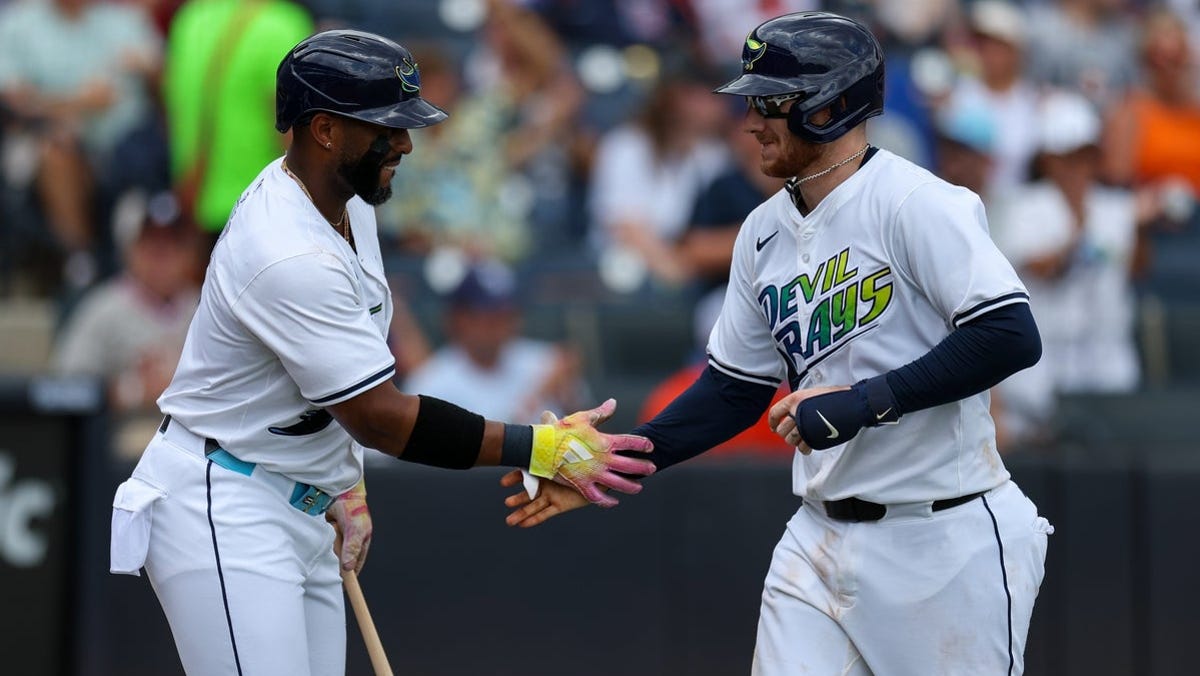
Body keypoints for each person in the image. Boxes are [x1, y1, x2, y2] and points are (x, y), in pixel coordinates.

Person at [503, 12, 1053, 675]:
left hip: (942, 534)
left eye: (772, 102)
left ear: (833, 103)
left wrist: (867, 401)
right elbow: (733, 388)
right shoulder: (762, 231)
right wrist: (621, 457)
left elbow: (1009, 334)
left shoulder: (914, 202)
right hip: (819, 533)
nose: (753, 120)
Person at [108, 30, 654, 676]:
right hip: (226, 500)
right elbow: (381, 419)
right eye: (385, 127)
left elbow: (335, 387)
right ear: (323, 130)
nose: (405, 143)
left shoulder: (347, 200)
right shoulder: (286, 250)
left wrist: (344, 483)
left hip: (297, 496)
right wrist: (538, 446)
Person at [51, 190, 200, 457]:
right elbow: (65, 388)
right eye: (151, 246)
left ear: (188, 254)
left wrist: (180, 382)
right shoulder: (102, 309)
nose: (161, 257)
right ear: (131, 251)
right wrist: (131, 390)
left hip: (200, 448)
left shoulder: (208, 307)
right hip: (119, 449)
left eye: (171, 246)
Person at [162, 0, 314, 251]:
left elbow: (173, 111)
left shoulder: (189, 20)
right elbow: (292, 132)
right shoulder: (282, 25)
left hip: (197, 207)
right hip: (265, 211)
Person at [402, 259, 587, 424]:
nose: (499, 325)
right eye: (488, 316)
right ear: (458, 319)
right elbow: (490, 452)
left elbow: (594, 442)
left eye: (506, 314)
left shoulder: (546, 360)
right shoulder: (430, 383)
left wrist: (569, 400)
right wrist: (539, 393)